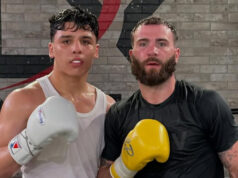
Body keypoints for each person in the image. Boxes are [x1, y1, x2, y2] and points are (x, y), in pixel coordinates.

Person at [97, 16, 238, 178]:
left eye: (161, 43)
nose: (152, 51)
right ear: (132, 55)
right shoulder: (118, 114)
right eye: (143, 43)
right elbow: (103, 174)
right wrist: (124, 166)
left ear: (176, 54)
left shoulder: (207, 103)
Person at [0, 7, 115, 178]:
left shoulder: (108, 106)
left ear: (96, 50)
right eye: (66, 41)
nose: (77, 48)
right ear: (51, 49)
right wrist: (30, 139)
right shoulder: (23, 99)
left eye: (85, 41)